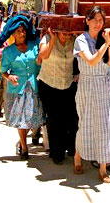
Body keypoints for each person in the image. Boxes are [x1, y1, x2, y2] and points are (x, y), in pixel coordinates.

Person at [73, 6, 110, 184]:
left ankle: (103, 168)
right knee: (85, 123)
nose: (97, 24)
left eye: (101, 21)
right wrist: (107, 44)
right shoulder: (81, 40)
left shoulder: (106, 39)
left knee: (106, 126)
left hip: (105, 85)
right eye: (94, 20)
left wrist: (109, 43)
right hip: (87, 84)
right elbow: (92, 61)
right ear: (87, 20)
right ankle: (78, 157)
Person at [0, 14, 44, 160]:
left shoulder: (34, 45)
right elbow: (3, 71)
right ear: (13, 33)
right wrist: (9, 77)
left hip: (34, 86)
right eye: (18, 31)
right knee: (22, 120)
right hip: (18, 89)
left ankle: (21, 141)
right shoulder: (8, 51)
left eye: (23, 30)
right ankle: (24, 147)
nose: (22, 33)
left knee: (34, 119)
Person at [37, 27, 77, 164]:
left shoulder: (75, 40)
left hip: (68, 83)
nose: (67, 36)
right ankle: (57, 153)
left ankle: (70, 148)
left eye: (69, 33)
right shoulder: (47, 39)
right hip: (49, 84)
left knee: (70, 118)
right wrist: (53, 40)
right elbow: (43, 55)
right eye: (64, 33)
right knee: (54, 120)